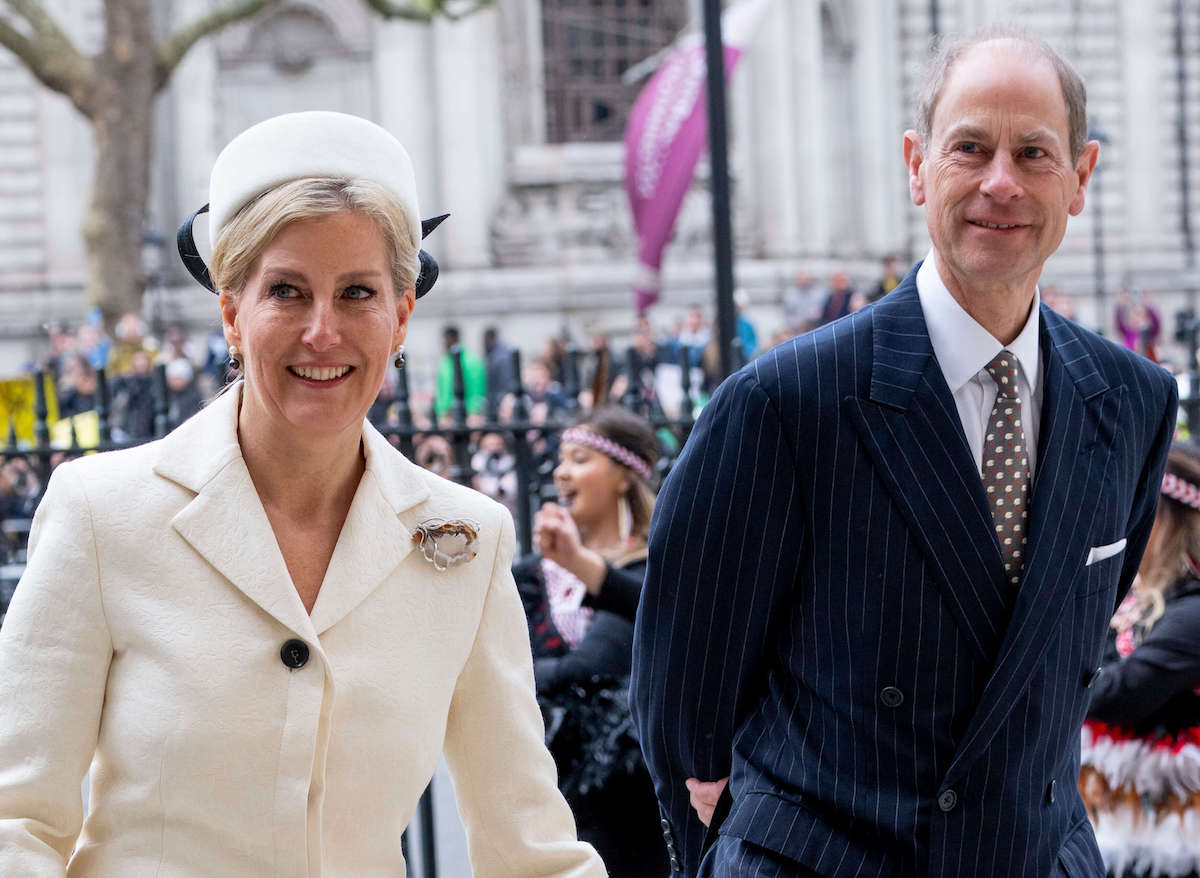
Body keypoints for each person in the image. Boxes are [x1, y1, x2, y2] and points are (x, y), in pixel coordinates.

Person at [631, 27, 1177, 878]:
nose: (1002, 181)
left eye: (1034, 153)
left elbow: (1062, 653)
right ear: (918, 164)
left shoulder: (1138, 401)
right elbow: (681, 714)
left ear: (1081, 178)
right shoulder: (783, 403)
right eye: (972, 147)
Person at [0, 111, 605, 877]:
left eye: (357, 293)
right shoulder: (100, 512)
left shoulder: (467, 537)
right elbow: (14, 819)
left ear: (401, 318)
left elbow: (532, 850)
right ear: (230, 313)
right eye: (286, 292)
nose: (323, 332)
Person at [516, 406, 667, 878]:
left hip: (629, 800)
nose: (562, 471)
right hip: (544, 788)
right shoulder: (530, 574)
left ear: (624, 476)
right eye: (561, 458)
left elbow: (593, 664)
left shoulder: (653, 565)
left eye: (580, 459)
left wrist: (583, 565)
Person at [1080, 442, 1200, 878]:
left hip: (1175, 834)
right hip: (1115, 816)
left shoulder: (1192, 611)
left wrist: (1046, 670)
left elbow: (1122, 694)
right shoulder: (1137, 598)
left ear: (1167, 520)